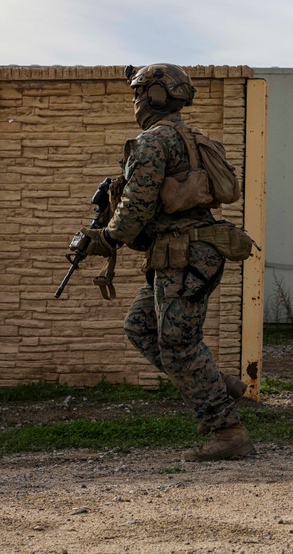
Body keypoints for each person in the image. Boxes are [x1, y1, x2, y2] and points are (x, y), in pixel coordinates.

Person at [83, 62, 255, 461]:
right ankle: (214, 384)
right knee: (140, 326)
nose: (136, 100)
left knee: (178, 346)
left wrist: (107, 237)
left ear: (156, 96)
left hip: (186, 255)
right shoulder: (190, 137)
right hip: (182, 254)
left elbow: (137, 204)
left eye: (139, 92)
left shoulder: (154, 141)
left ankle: (228, 432)